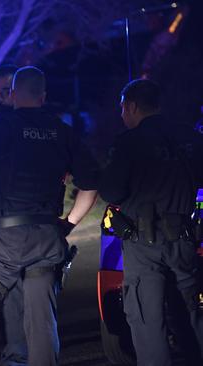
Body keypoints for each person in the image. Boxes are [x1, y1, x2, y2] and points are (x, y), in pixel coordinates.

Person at [0, 66, 99, 366]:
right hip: (47, 241)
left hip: (4, 243)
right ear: (43, 96)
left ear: (15, 94)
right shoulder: (63, 132)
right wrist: (67, 224)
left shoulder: (0, 132)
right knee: (42, 324)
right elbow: (90, 186)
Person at [99, 79, 203, 366]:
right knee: (193, 311)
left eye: (122, 108)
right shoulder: (189, 139)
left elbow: (111, 191)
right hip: (183, 238)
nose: (122, 114)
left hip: (143, 245)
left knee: (147, 318)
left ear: (131, 107)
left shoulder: (129, 143)